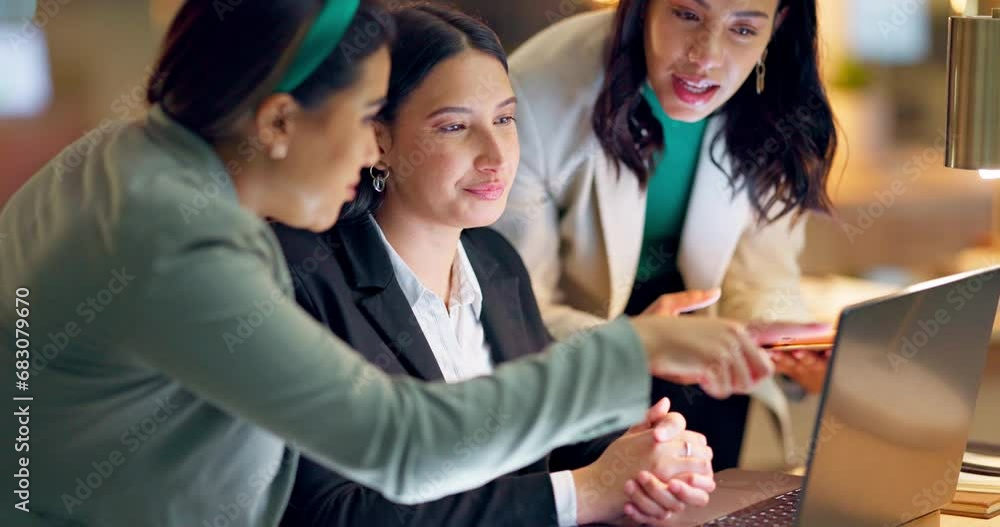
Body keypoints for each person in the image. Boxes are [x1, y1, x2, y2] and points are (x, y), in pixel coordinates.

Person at [0, 2, 772, 526]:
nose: (375, 146)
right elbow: (395, 446)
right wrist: (628, 350)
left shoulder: (125, 159)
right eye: (372, 116)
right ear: (277, 120)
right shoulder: (182, 238)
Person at [272, 5, 722, 526]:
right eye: (455, 126)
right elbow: (336, 513)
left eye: (505, 119)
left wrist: (642, 455)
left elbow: (545, 442)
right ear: (380, 140)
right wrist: (587, 491)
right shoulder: (303, 280)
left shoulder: (496, 263)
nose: (495, 155)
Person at [493, 0, 837, 470]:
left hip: (701, 375)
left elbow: (762, 278)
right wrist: (638, 341)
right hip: (568, 371)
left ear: (777, 26)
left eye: (743, 29)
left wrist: (787, 343)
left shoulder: (777, 102)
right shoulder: (537, 91)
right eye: (687, 15)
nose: (706, 57)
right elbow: (512, 312)